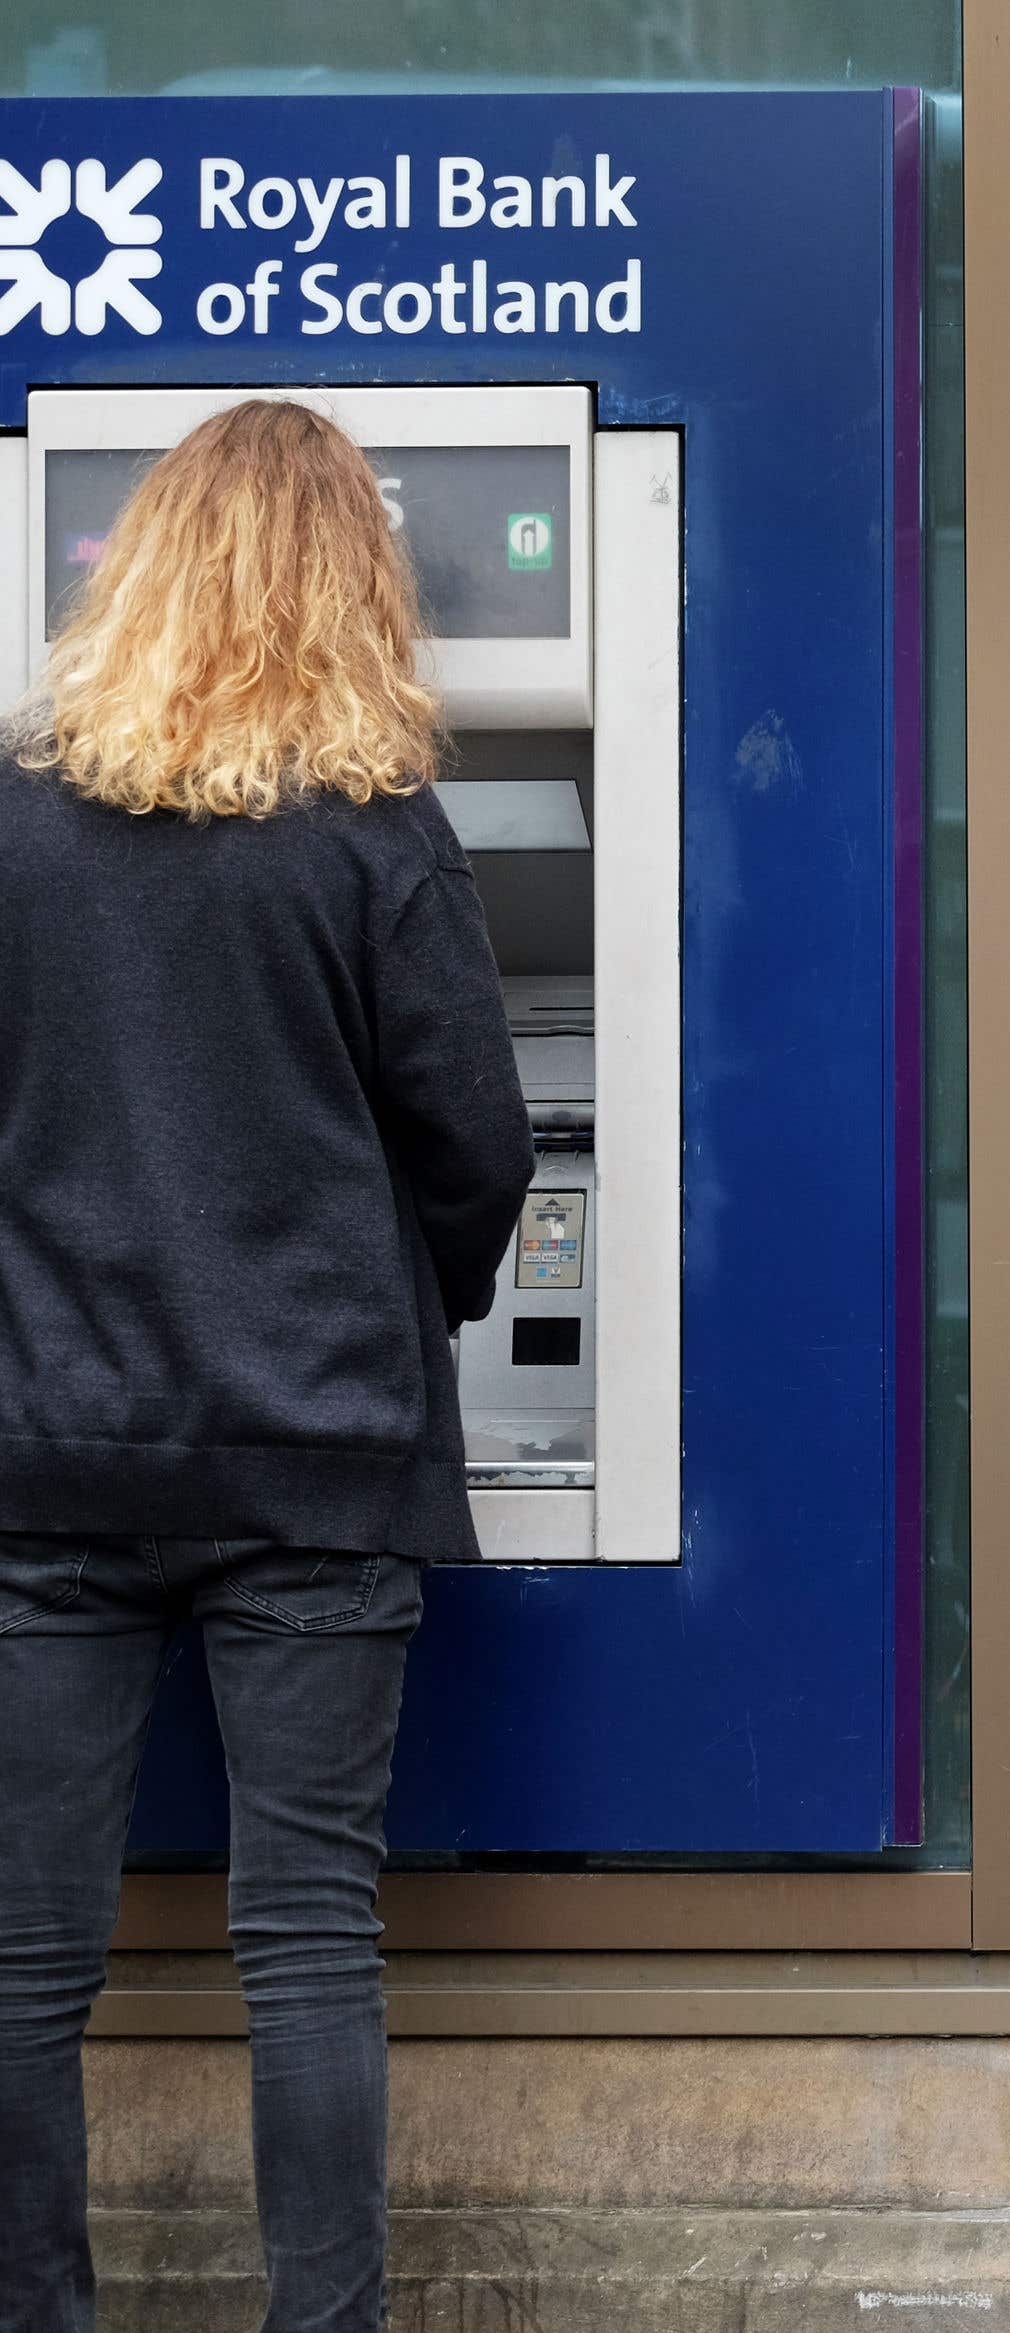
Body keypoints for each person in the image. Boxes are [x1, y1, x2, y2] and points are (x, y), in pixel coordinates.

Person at [0, 401, 533, 2333]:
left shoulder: (16, 825)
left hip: (50, 1462)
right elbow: (480, 1139)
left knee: (21, 1963)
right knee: (308, 1946)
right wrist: (419, 1298)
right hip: (317, 1456)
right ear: (352, 584)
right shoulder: (378, 835)